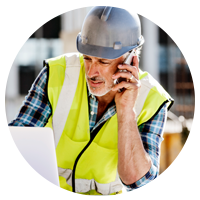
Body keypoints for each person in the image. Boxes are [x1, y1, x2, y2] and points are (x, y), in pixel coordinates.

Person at [8, 4, 174, 196]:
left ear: (131, 59)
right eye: (87, 58)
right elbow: (16, 147)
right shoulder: (56, 74)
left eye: (103, 61)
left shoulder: (153, 100)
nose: (91, 72)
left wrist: (126, 113)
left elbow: (140, 186)